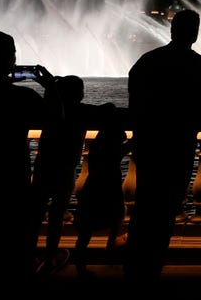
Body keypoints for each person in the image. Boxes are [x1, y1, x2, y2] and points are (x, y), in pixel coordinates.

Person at [123, 9, 201, 283]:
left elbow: (135, 104)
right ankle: (152, 268)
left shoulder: (147, 61)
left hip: (149, 145)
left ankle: (133, 269)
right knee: (166, 209)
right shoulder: (199, 65)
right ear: (195, 33)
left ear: (172, 30)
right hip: (179, 146)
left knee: (144, 206)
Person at [0, 31, 60, 289]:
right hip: (12, 179)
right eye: (12, 53)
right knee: (14, 245)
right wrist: (52, 88)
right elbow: (56, 122)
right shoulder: (23, 97)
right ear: (6, 60)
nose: (15, 58)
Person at [29, 75, 91, 276]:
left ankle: (28, 256)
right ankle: (50, 257)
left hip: (43, 167)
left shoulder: (49, 111)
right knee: (57, 215)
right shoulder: (82, 112)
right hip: (65, 170)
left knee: (35, 213)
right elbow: (109, 111)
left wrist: (49, 88)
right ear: (79, 94)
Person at [72, 107, 130, 279]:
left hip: (94, 187)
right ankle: (111, 245)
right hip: (108, 187)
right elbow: (124, 149)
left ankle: (80, 265)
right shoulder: (112, 146)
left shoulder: (99, 143)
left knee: (86, 231)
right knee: (117, 214)